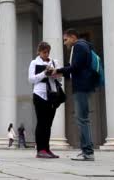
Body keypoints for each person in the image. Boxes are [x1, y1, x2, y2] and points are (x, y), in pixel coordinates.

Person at [54, 29, 96, 161]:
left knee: (82, 119)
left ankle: (88, 152)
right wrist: (61, 71)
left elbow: (75, 67)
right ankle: (86, 150)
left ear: (73, 37)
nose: (64, 43)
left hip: (81, 87)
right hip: (84, 86)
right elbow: (74, 67)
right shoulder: (83, 46)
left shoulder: (79, 46)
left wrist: (58, 70)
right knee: (83, 118)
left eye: (65, 40)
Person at [28, 41, 61, 158]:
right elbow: (31, 79)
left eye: (48, 52)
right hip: (39, 95)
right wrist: (44, 73)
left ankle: (47, 149)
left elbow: (60, 80)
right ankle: (40, 150)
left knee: (48, 124)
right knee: (41, 123)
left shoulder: (54, 62)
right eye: (44, 52)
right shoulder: (34, 62)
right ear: (39, 52)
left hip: (52, 95)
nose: (46, 54)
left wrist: (55, 74)